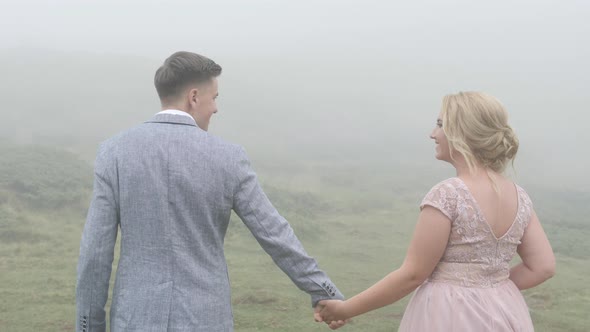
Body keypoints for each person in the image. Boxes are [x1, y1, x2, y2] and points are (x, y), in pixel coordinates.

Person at [75, 51, 345, 332]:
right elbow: (275, 234)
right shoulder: (229, 157)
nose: (215, 108)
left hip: (134, 321)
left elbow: (95, 253)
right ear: (194, 97)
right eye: (214, 97)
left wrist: (87, 327)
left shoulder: (113, 152)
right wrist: (324, 290)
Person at [316, 91, 555, 331]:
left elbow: (413, 274)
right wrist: (488, 288)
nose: (433, 134)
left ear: (462, 132)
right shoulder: (519, 196)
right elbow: (543, 266)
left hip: (449, 315)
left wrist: (346, 308)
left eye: (440, 124)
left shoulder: (448, 194)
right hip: (506, 313)